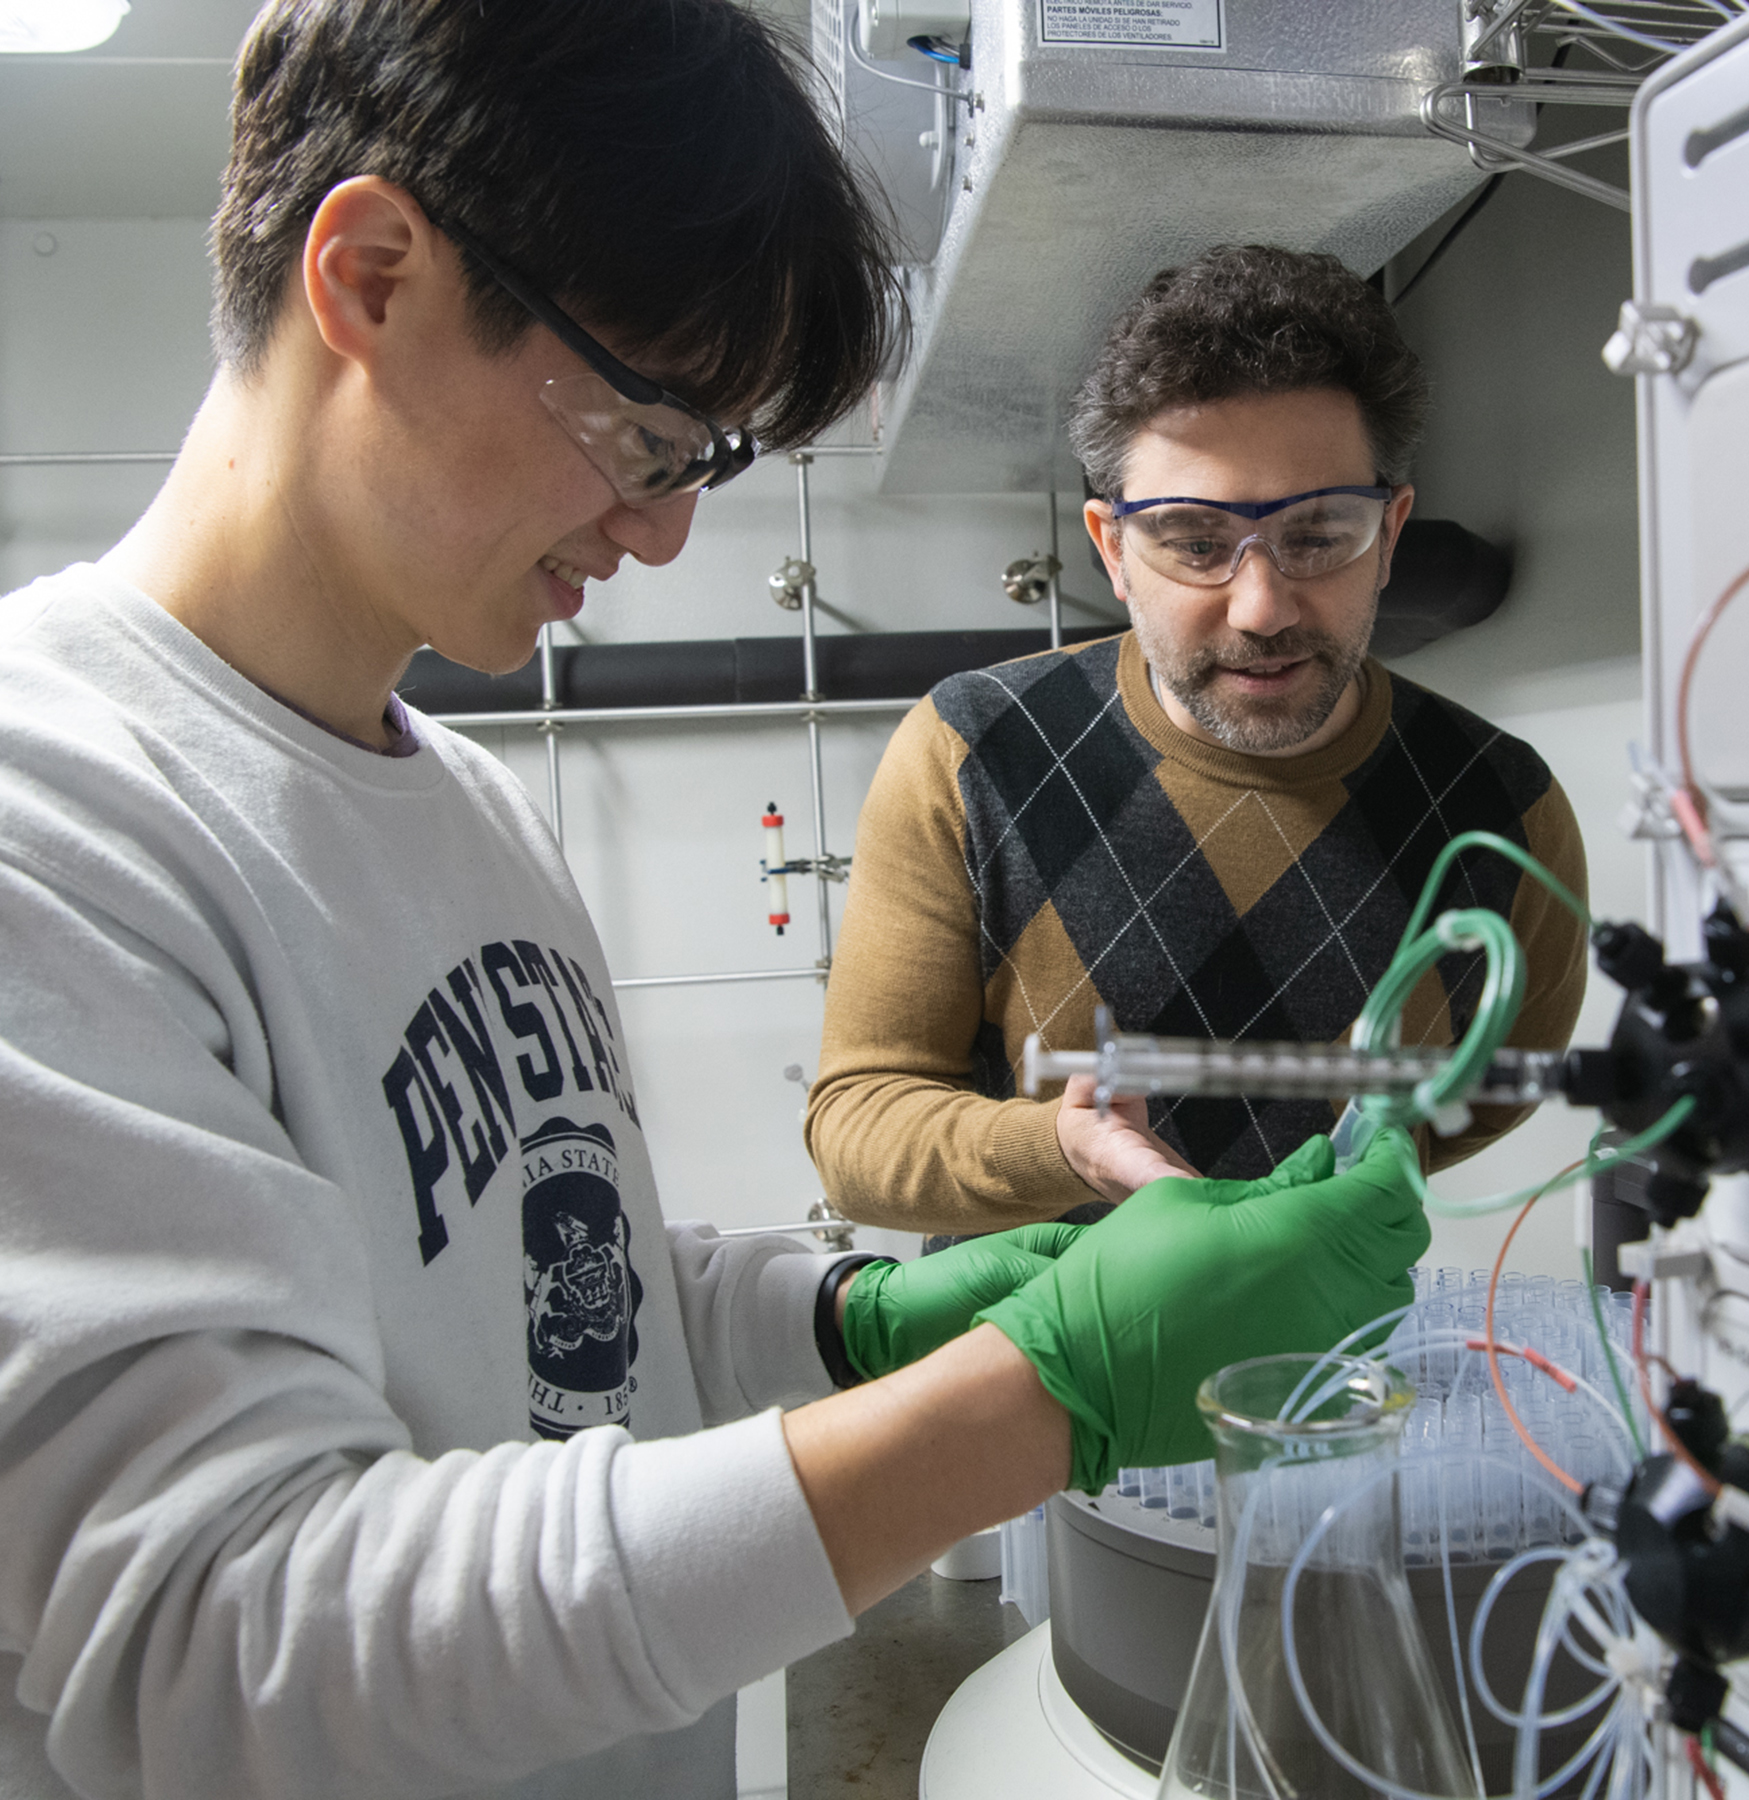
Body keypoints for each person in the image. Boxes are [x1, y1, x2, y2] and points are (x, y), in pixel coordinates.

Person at [0, 6, 1431, 1797]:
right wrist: (1034, 1399)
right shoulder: (49, 817)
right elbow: (226, 1642)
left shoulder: (466, 810)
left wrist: (854, 1321)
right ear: (368, 275)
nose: (666, 531)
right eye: (642, 428)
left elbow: (539, 1297)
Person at [806, 245, 1590, 1239]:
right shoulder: (971, 753)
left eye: (1318, 535)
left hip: (1322, 1384)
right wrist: (1061, 1149)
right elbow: (857, 1129)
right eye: (1192, 539)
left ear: (1391, 536)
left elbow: (1484, 1095)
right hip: (1006, 1378)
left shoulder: (1503, 811)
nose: (1261, 608)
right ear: (1112, 549)